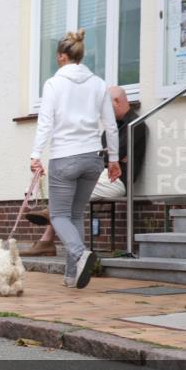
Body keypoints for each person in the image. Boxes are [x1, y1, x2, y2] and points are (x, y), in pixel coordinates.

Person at [30, 30, 120, 289]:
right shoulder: (99, 84)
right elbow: (110, 126)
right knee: (76, 215)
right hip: (93, 158)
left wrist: (36, 155)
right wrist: (113, 159)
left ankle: (80, 255)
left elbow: (45, 123)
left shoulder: (53, 84)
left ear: (61, 56)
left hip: (65, 157)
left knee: (58, 215)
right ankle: (72, 276)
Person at [21, 86, 147, 256]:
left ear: (117, 102)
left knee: (68, 195)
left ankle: (51, 228)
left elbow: (111, 155)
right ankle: (47, 240)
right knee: (70, 189)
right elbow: (101, 154)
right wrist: (107, 156)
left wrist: (109, 156)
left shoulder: (136, 125)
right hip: (100, 175)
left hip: (117, 181)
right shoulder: (110, 129)